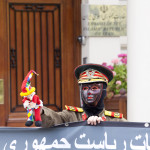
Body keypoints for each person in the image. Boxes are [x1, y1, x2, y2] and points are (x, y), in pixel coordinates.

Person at [41, 64, 126, 128]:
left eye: (94, 88)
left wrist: (102, 125)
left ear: (104, 91)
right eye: (85, 88)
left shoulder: (116, 121)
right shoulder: (70, 117)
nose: (89, 92)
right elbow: (52, 120)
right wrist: (39, 109)